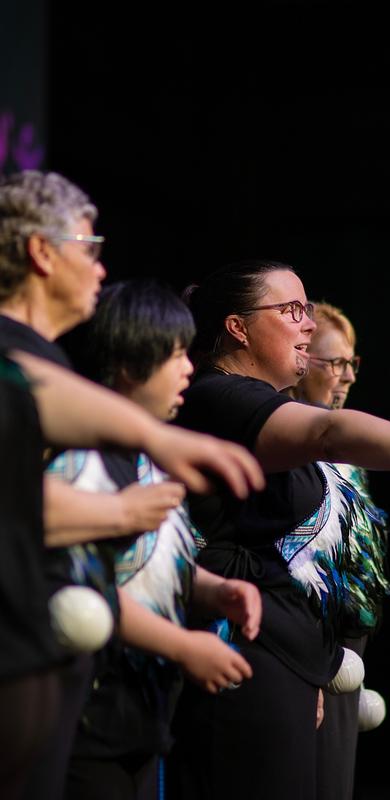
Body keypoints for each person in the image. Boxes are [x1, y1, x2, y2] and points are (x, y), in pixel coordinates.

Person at [167, 259, 390, 800]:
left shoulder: (259, 404)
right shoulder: (221, 397)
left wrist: (307, 663)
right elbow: (330, 432)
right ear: (237, 327)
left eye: (307, 310)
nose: (307, 323)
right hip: (236, 655)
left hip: (276, 660)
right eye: (291, 311)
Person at [0, 171, 264, 800]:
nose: (99, 267)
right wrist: (121, 507)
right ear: (41, 251)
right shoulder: (17, 361)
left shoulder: (42, 365)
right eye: (88, 247)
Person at [45, 280, 262, 799]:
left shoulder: (146, 456)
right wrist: (183, 645)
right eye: (174, 355)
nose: (189, 368)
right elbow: (84, 582)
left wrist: (212, 590)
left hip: (140, 719)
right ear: (127, 362)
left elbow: (152, 565)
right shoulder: (80, 462)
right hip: (85, 723)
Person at [290, 300, 390, 800]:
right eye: (334, 363)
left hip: (345, 656)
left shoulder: (350, 459)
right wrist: (309, 666)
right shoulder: (284, 458)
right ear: (297, 359)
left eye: (352, 363)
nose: (347, 376)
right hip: (304, 654)